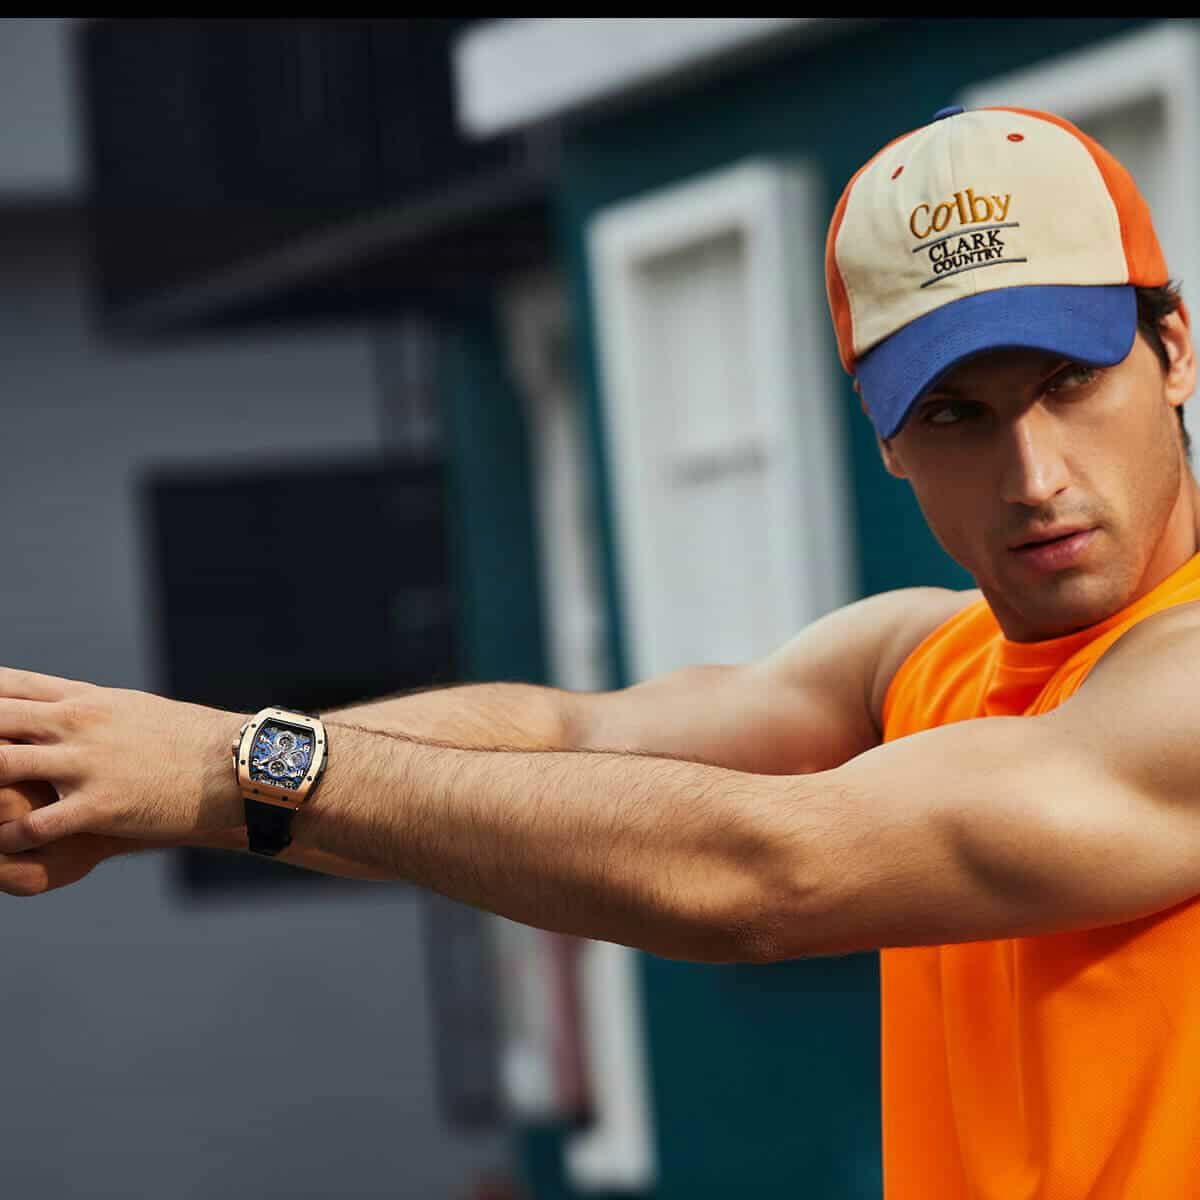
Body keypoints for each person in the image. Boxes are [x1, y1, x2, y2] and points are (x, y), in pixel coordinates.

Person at [2, 104, 1199, 1195]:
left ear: (1176, 350)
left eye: (1071, 382)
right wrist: (142, 789)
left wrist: (233, 770)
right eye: (956, 415)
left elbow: (768, 872)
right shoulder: (915, 657)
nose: (1034, 474)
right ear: (888, 441)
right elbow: (563, 734)